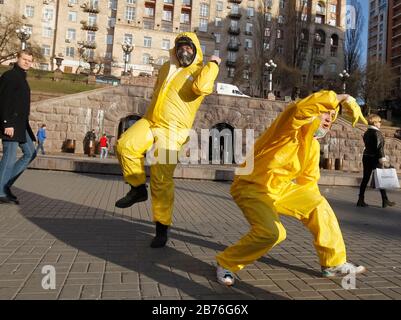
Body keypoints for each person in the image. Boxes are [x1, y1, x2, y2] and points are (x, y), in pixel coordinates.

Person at [215, 91, 368, 286]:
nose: (329, 118)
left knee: (318, 205)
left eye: (333, 115)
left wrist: (311, 209)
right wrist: (341, 97)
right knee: (273, 233)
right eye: (326, 112)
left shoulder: (311, 145)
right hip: (252, 186)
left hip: (280, 189)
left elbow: (309, 183)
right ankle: (226, 263)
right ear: (315, 110)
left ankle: (333, 263)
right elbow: (300, 109)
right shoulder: (288, 126)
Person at [115, 32, 220, 248]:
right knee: (125, 145)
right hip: (151, 120)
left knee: (161, 177)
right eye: (181, 46)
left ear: (196, 50)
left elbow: (202, 88)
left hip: (173, 130)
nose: (184, 51)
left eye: (189, 48)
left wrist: (214, 65)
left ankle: (162, 227)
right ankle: (137, 189)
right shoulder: (165, 68)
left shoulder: (200, 71)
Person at [0, 49, 37, 204]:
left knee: (30, 153)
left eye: (29, 60)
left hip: (21, 125)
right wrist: (6, 123)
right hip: (11, 124)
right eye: (24, 59)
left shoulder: (22, 77)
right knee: (9, 158)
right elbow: (2, 100)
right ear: (17, 58)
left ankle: (6, 184)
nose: (27, 62)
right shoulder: (10, 76)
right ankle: (1, 192)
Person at [357, 114, 396, 208]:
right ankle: (385, 200)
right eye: (379, 121)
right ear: (374, 122)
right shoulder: (377, 133)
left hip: (366, 156)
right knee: (380, 178)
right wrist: (383, 159)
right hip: (375, 158)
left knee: (365, 178)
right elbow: (379, 147)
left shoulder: (367, 132)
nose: (380, 123)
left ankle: (360, 199)